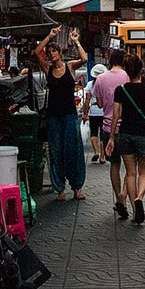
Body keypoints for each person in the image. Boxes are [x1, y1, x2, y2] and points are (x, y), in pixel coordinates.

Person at [105, 55, 145, 224]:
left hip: (125, 134)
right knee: (144, 171)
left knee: (130, 173)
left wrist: (112, 137)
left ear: (126, 71)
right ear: (141, 70)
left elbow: (115, 116)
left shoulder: (120, 90)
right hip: (143, 135)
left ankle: (135, 211)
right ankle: (140, 198)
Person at [38, 25, 87, 201]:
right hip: (53, 116)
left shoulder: (70, 67)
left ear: (60, 53)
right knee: (56, 151)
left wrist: (76, 41)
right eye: (49, 52)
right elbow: (37, 52)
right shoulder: (48, 69)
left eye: (53, 51)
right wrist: (49, 37)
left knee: (73, 150)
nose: (50, 54)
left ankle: (76, 187)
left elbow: (84, 58)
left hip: (70, 115)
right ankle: (59, 188)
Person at [92, 50, 132, 217]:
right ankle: (124, 195)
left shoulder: (100, 79)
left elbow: (100, 105)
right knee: (131, 169)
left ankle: (118, 198)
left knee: (114, 165)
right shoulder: (128, 76)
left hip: (108, 128)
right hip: (127, 127)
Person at [81, 63, 109, 163]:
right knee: (103, 134)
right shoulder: (105, 85)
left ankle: (96, 151)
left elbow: (87, 100)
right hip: (104, 111)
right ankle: (102, 157)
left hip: (93, 111)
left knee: (93, 132)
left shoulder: (89, 84)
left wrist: (85, 113)